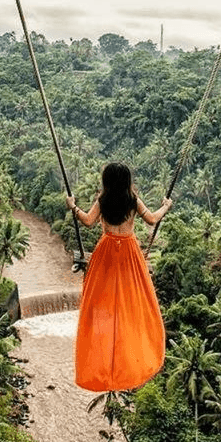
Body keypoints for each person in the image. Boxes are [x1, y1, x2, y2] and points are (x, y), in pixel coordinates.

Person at [66, 162, 172, 392]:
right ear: (126, 181)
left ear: (106, 181)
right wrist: (166, 206)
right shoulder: (132, 200)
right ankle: (130, 355)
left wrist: (73, 207)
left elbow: (87, 221)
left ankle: (103, 361)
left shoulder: (103, 200)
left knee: (101, 303)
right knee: (132, 301)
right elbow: (153, 219)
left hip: (105, 253)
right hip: (128, 253)